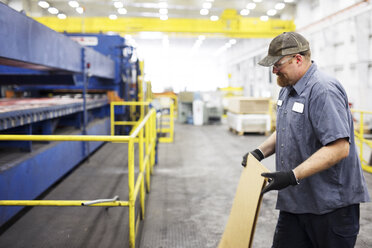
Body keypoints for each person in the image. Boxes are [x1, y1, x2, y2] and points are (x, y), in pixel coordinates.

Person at [241, 32, 370, 248]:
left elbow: (339, 148)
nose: (274, 71)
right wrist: (259, 152)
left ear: (298, 59)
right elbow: (286, 129)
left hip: (330, 207)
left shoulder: (323, 90)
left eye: (277, 64)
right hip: (296, 204)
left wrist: (292, 175)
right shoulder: (287, 89)